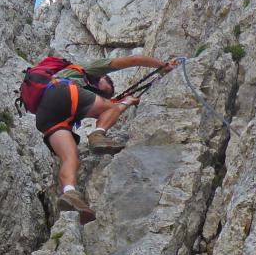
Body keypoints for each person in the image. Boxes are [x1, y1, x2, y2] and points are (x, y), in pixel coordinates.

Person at [34, 54, 176, 219]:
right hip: (62, 92)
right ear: (101, 77)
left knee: (70, 158)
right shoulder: (88, 69)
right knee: (109, 107)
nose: (103, 93)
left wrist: (124, 103)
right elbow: (132, 60)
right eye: (104, 89)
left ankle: (69, 193)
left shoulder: (82, 92)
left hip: (46, 117)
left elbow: (110, 109)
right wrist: (163, 65)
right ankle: (97, 134)